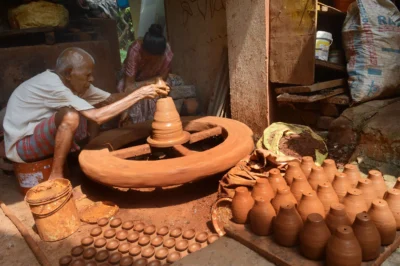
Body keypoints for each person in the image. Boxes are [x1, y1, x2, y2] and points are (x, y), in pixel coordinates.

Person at [3, 47, 169, 180]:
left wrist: (146, 87)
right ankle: (56, 177)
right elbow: (98, 116)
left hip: (37, 134)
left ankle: (88, 155)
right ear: (69, 73)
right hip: (21, 146)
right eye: (87, 75)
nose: (92, 79)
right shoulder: (53, 86)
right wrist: (141, 94)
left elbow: (110, 100)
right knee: (71, 116)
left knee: (89, 105)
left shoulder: (73, 83)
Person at [118, 23, 173, 125]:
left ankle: (155, 122)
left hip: (153, 82)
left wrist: (155, 82)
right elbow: (128, 86)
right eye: (146, 56)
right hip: (134, 81)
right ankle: (135, 126)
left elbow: (163, 79)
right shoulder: (135, 50)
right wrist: (151, 81)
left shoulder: (167, 53)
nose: (149, 60)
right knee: (123, 87)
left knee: (163, 88)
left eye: (153, 59)